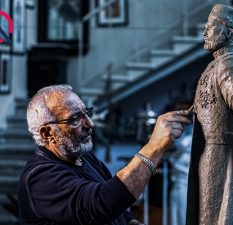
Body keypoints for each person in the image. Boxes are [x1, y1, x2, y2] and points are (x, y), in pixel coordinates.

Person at [18, 84, 191, 225]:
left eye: (86, 113)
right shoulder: (40, 177)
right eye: (75, 119)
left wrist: (131, 222)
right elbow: (101, 206)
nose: (90, 123)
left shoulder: (85, 158)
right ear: (47, 133)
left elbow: (117, 208)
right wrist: (154, 147)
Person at [186, 4, 233, 225]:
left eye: (210, 27)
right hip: (212, 155)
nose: (204, 33)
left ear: (227, 31)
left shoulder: (229, 64)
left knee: (220, 218)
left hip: (224, 156)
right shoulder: (216, 65)